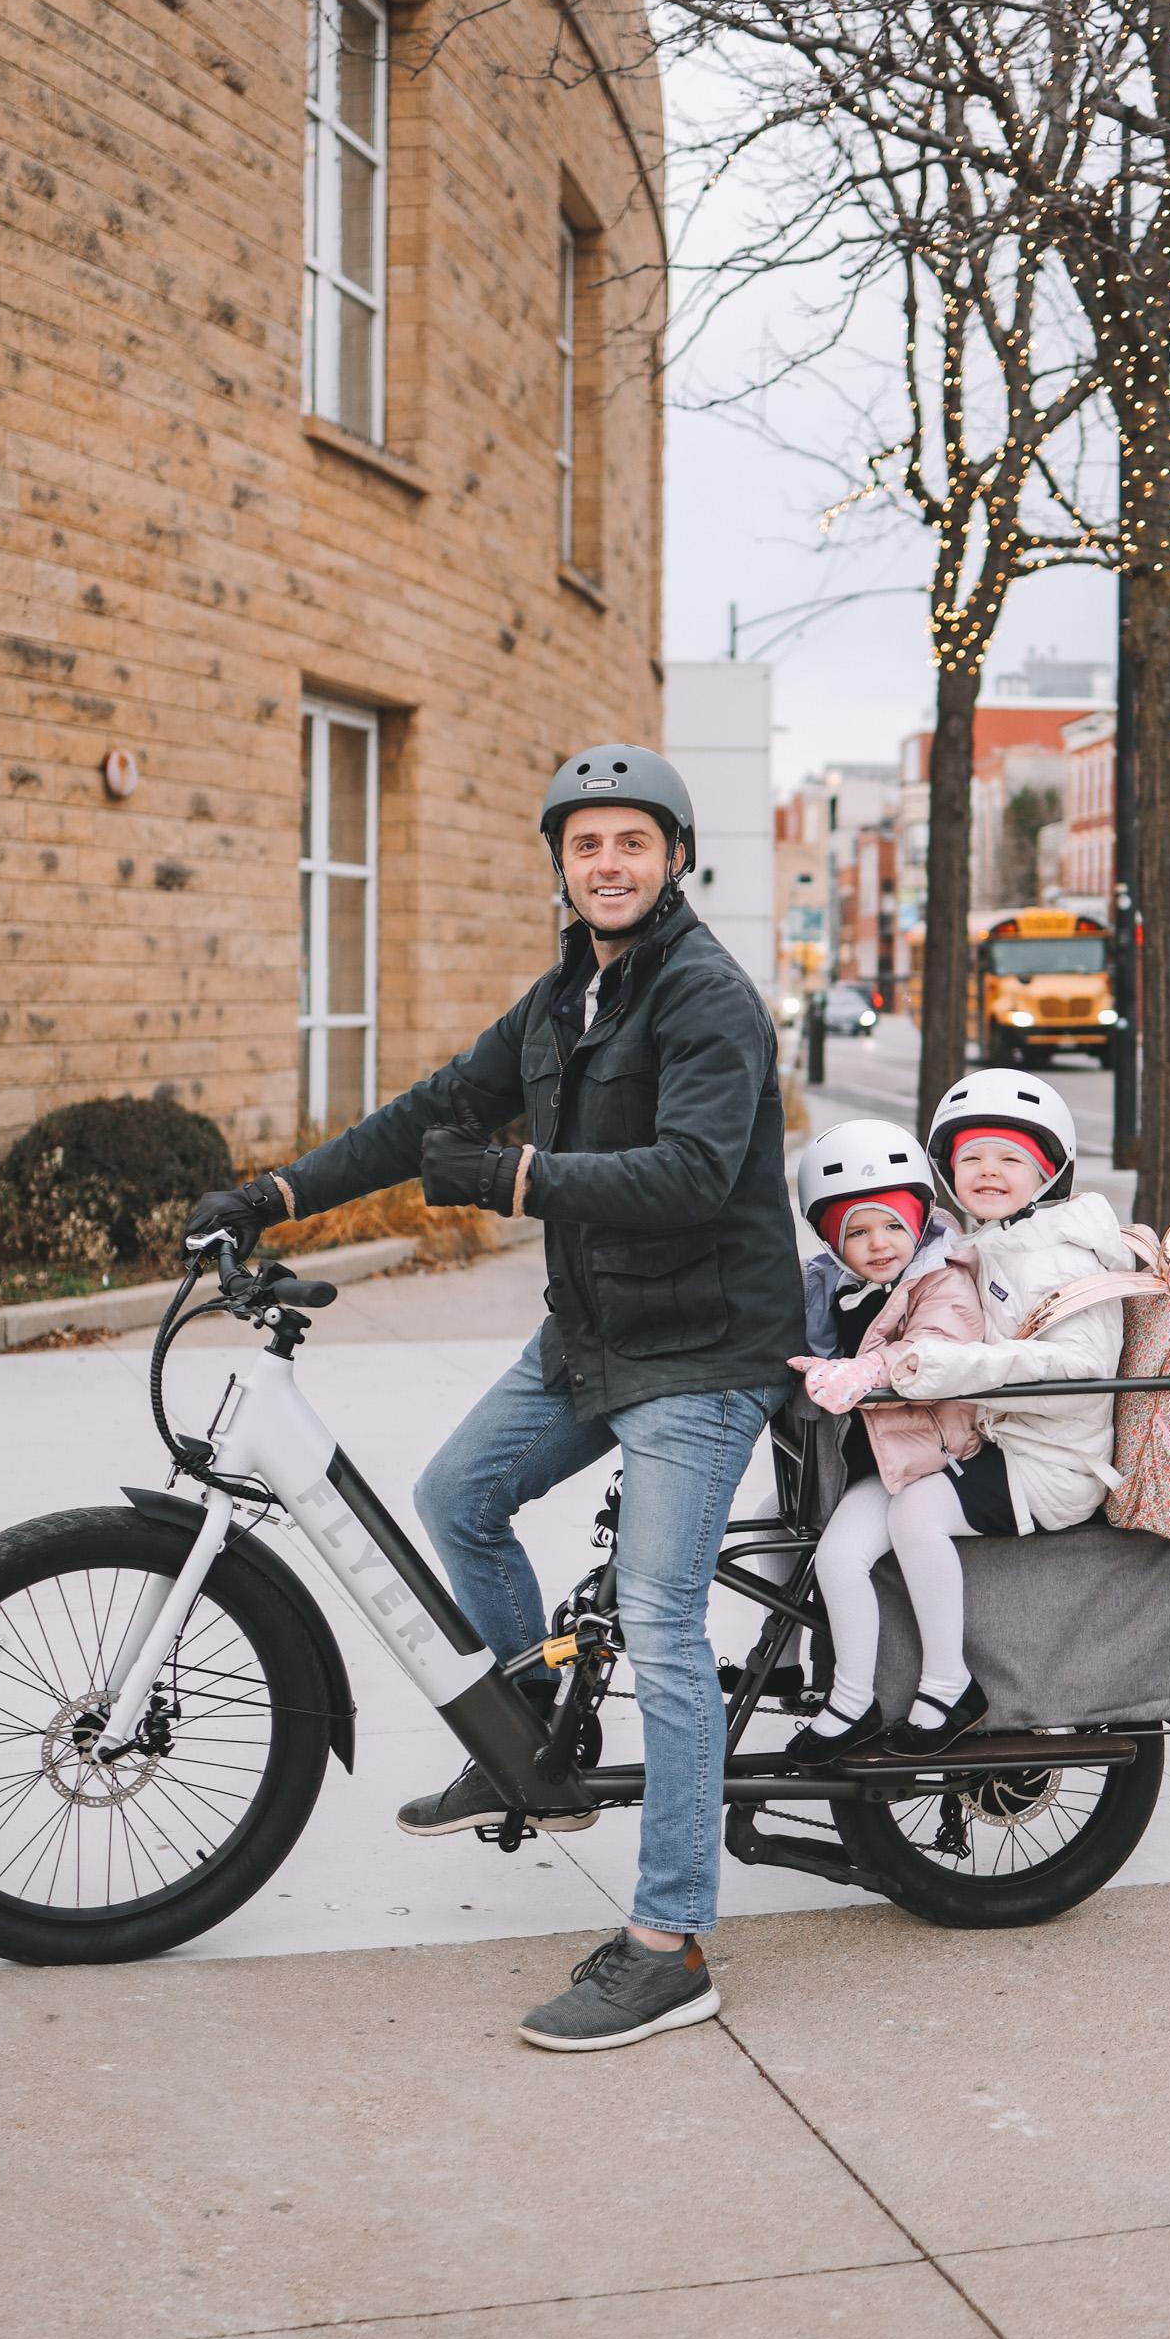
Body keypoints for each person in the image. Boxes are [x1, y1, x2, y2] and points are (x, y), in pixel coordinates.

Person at [185, 744, 801, 2053]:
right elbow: (426, 1116)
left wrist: (516, 1181)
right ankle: (535, 1747)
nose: (610, 864)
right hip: (591, 1336)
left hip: (702, 1352)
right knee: (456, 1498)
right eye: (587, 846)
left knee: (662, 1625)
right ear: (563, 868)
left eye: (634, 841)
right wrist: (269, 1195)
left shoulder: (708, 1000)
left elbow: (693, 1174)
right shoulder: (559, 1000)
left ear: (677, 857)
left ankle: (673, 1941)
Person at [847, 1068, 1139, 1746]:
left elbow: (1082, 1365)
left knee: (916, 1512)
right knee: (886, 1498)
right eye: (971, 1156)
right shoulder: (1004, 1240)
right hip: (1013, 1444)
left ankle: (950, 1686)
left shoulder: (1058, 1255)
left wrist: (953, 1371)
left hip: (1054, 1466)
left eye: (1011, 1158)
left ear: (1049, 1171)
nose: (987, 1170)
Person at [779, 1118, 986, 1763]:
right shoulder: (835, 1289)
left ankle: (949, 1684)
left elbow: (939, 1347)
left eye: (893, 1225)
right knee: (817, 1547)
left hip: (938, 1456)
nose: (877, 1245)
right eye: (856, 1232)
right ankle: (844, 1696)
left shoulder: (941, 1280)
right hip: (883, 1463)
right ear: (831, 1241)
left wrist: (867, 1369)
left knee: (896, 1540)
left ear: (921, 1221)